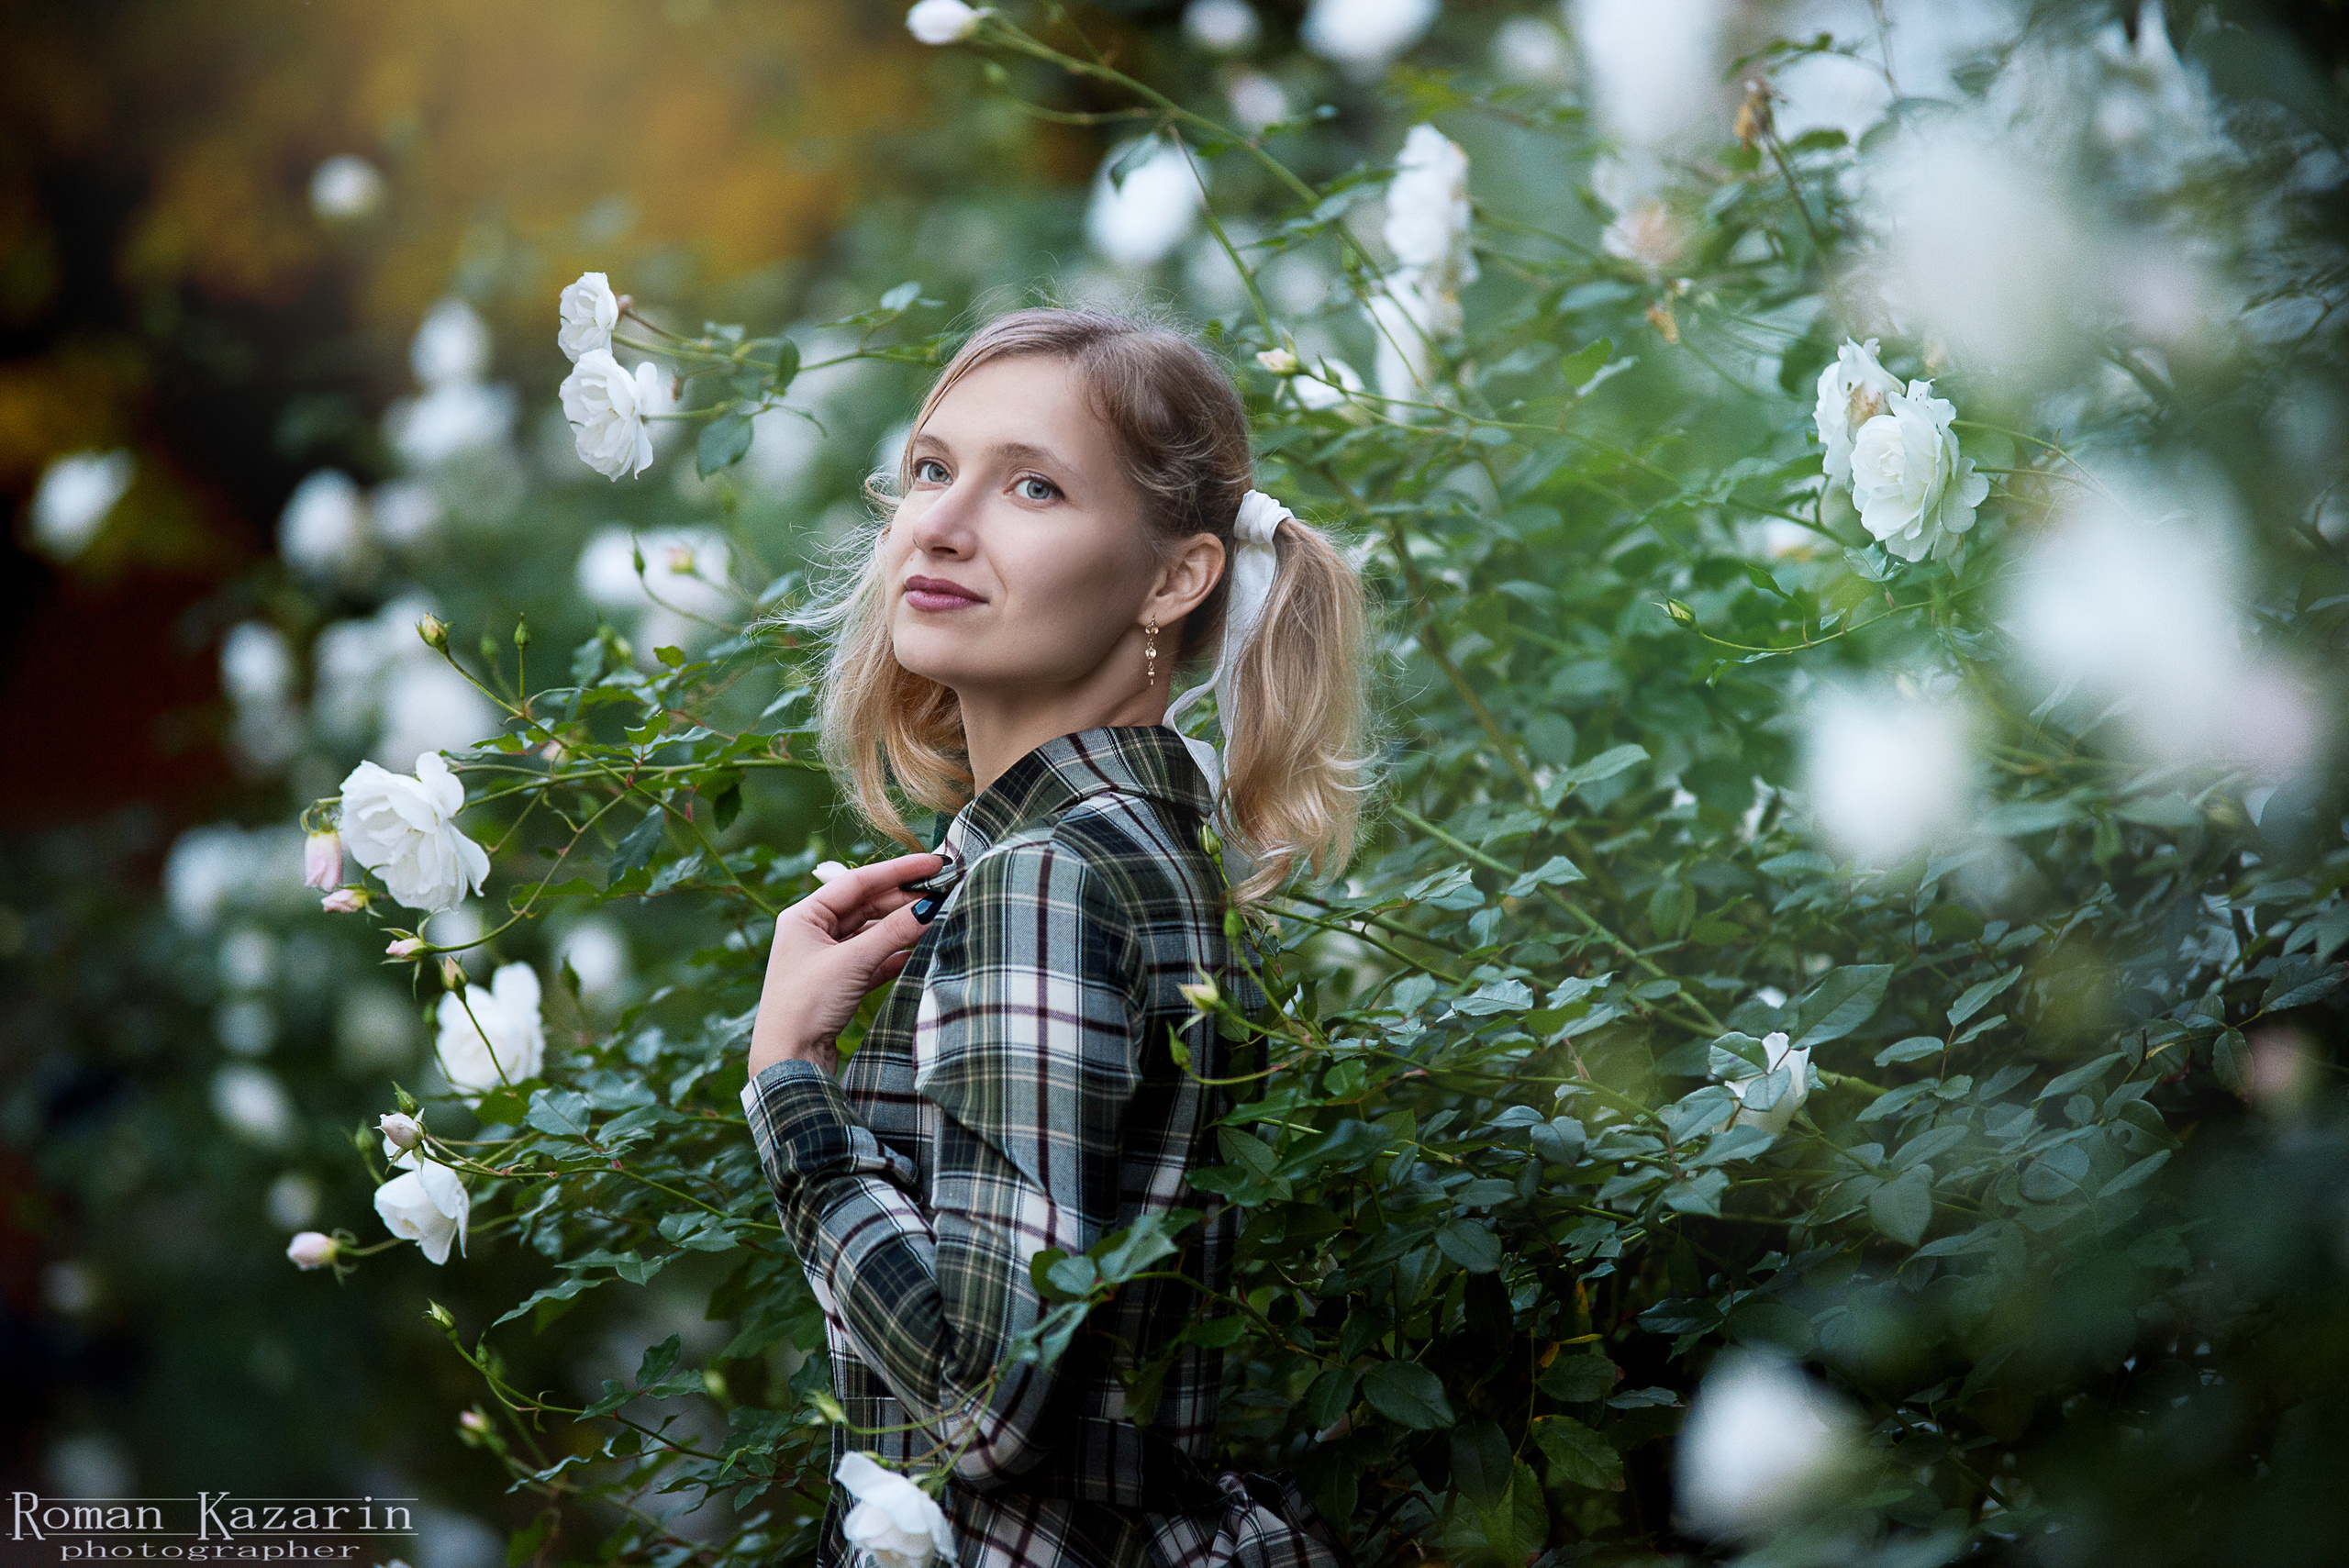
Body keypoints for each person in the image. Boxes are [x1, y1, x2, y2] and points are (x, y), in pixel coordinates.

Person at [738, 306, 1374, 1568]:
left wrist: (789, 1083)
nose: (942, 522)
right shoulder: (1155, 849)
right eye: (931, 468)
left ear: (1175, 577)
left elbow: (980, 1405)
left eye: (1032, 485)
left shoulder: (1043, 878)